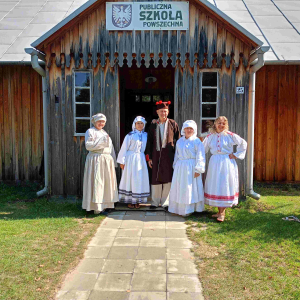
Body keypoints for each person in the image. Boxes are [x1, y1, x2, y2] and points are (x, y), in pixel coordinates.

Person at [203, 116, 247, 222]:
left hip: (226, 162)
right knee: (216, 184)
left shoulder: (230, 135)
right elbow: (202, 149)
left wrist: (236, 155)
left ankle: (222, 213)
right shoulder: (210, 137)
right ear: (215, 124)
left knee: (224, 184)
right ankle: (219, 211)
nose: (221, 125)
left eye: (223, 123)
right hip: (214, 163)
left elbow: (243, 143)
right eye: (219, 123)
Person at [146, 100, 180, 210]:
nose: (163, 114)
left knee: (167, 177)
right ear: (157, 112)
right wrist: (149, 157)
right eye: (161, 111)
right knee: (155, 177)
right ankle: (155, 202)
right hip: (155, 154)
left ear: (168, 112)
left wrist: (178, 155)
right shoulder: (153, 125)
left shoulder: (173, 123)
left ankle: (166, 202)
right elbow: (149, 142)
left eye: (165, 111)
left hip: (168, 155)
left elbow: (178, 140)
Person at [82, 113, 118, 214]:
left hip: (106, 160)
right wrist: (102, 141)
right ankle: (96, 207)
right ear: (94, 121)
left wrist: (113, 162)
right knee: (98, 182)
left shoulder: (104, 133)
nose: (101, 123)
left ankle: (106, 205)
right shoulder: (90, 131)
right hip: (96, 160)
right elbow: (88, 146)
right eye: (99, 121)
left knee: (106, 183)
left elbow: (111, 149)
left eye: (103, 122)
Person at [169, 120, 206, 216]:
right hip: (180, 167)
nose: (189, 130)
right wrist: (175, 165)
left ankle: (190, 209)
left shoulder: (197, 141)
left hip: (191, 166)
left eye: (191, 128)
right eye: (187, 128)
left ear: (194, 130)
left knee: (190, 187)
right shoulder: (180, 141)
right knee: (180, 187)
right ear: (183, 129)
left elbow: (200, 155)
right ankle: (179, 209)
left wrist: (199, 169)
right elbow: (177, 154)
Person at [117, 116, 150, 208]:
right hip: (131, 159)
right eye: (138, 123)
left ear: (144, 125)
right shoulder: (130, 135)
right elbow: (124, 148)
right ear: (134, 124)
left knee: (139, 179)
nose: (139, 125)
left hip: (141, 159)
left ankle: (138, 201)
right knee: (131, 179)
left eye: (141, 123)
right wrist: (122, 161)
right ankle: (131, 200)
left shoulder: (146, 135)